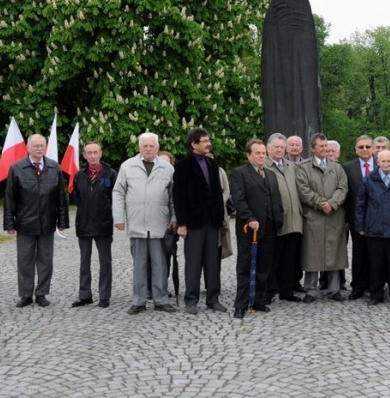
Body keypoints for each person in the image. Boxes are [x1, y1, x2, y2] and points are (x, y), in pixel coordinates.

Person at [253, 0, 322, 143]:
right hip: (278, 15)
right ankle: (279, 139)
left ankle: (308, 137)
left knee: (305, 72)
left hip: (301, 15)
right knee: (278, 74)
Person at [113, 132, 176, 314]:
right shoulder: (127, 166)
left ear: (157, 147)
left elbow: (174, 196)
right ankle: (139, 300)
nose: (148, 149)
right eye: (145, 146)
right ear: (139, 148)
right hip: (137, 222)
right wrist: (119, 218)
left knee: (160, 264)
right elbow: (118, 192)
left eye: (152, 146)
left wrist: (174, 218)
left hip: (160, 222)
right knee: (139, 264)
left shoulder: (167, 168)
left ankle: (161, 299)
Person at [4, 134, 69, 307]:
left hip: (47, 222)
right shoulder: (17, 168)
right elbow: (10, 197)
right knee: (25, 261)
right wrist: (9, 223)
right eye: (36, 146)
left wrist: (63, 221)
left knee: (46, 261)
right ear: (28, 148)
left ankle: (41, 293)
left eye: (42, 145)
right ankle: (25, 294)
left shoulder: (54, 167)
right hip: (25, 223)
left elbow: (61, 196)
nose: (39, 149)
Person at [173, 127, 227, 314]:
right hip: (193, 223)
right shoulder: (183, 166)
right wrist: (181, 224)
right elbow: (178, 197)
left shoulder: (212, 164)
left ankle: (213, 299)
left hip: (212, 222)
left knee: (213, 263)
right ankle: (191, 301)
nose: (208, 143)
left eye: (208, 140)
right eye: (204, 141)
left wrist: (220, 219)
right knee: (193, 263)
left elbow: (217, 195)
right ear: (194, 144)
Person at [231, 139, 284, 319]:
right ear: (248, 155)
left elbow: (275, 199)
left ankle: (258, 300)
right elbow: (239, 200)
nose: (261, 156)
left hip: (269, 227)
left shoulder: (270, 174)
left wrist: (279, 218)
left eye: (263, 153)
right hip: (249, 228)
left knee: (264, 266)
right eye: (257, 153)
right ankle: (241, 304)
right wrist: (250, 218)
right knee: (245, 266)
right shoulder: (240, 173)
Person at [295, 132, 349, 302]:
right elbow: (303, 190)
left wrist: (332, 203)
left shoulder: (336, 167)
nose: (326, 149)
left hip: (334, 216)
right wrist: (321, 203)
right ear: (313, 148)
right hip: (314, 216)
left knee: (334, 252)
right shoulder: (303, 168)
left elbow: (343, 188)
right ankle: (310, 288)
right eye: (322, 146)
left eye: (327, 146)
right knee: (312, 253)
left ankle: (334, 289)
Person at [355, 150, 390, 306]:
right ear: (377, 162)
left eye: (388, 161)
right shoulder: (369, 179)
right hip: (374, 229)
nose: (385, 164)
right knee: (375, 265)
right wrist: (360, 225)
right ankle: (376, 295)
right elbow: (360, 204)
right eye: (382, 161)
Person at [71, 141, 117, 309]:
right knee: (84, 262)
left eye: (95, 152)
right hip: (83, 224)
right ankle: (85, 295)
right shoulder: (79, 175)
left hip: (103, 225)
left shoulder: (111, 174)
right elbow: (76, 197)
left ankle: (104, 296)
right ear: (84, 155)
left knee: (105, 262)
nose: (92, 156)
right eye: (89, 153)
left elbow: (115, 198)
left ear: (101, 153)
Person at [264, 133, 304, 303]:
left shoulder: (291, 166)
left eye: (282, 147)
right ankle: (269, 291)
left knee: (290, 258)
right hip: (276, 221)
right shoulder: (264, 166)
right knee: (273, 259)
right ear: (268, 148)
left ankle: (287, 290)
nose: (280, 150)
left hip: (294, 220)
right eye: (276, 147)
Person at [343, 135, 375, 300]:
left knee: (375, 253)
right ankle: (358, 286)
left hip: (377, 219)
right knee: (359, 253)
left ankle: (374, 285)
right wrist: (347, 219)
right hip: (357, 217)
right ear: (356, 150)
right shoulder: (348, 168)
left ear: (373, 148)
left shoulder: (382, 165)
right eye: (361, 147)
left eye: (367, 147)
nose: (364, 149)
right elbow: (346, 195)